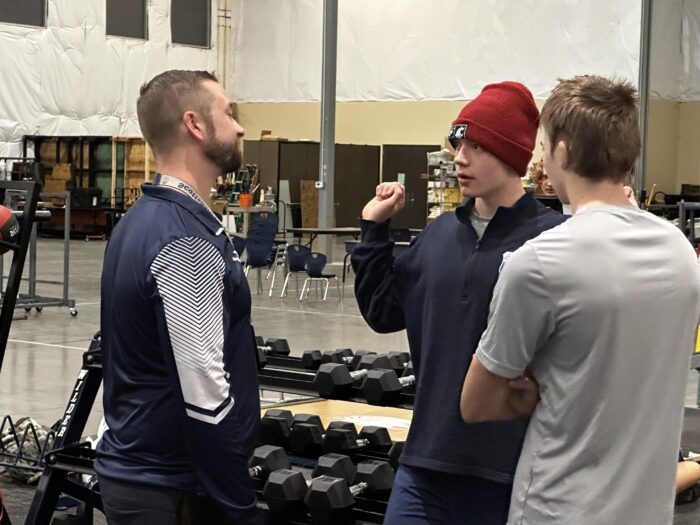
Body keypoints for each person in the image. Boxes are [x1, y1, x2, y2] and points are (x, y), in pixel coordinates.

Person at [461, 75, 700, 524]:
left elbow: (475, 404)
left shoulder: (539, 263)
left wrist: (533, 390)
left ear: (563, 152)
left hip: (556, 510)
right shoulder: (681, 254)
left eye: (545, 146)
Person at [352, 81, 567, 524]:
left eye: (477, 147)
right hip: (424, 463)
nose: (460, 157)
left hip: (508, 473)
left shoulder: (551, 240)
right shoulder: (437, 236)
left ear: (512, 156)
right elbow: (382, 311)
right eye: (457, 143)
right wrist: (373, 231)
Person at [96, 70, 263, 524]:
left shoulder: (138, 222)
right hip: (172, 491)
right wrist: (239, 507)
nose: (240, 126)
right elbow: (204, 397)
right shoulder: (185, 243)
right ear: (195, 124)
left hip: (142, 478)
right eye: (228, 113)